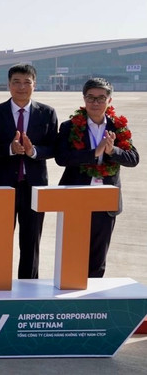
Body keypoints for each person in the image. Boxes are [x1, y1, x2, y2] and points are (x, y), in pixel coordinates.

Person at [56, 78, 139, 277]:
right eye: (91, 98)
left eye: (101, 98)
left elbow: (133, 159)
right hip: (76, 196)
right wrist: (94, 152)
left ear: (109, 100)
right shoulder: (70, 126)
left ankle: (93, 300)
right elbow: (62, 158)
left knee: (98, 255)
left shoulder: (118, 127)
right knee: (73, 253)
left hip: (106, 199)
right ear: (84, 99)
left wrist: (112, 150)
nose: (95, 103)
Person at [0, 64, 59, 279]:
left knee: (31, 241)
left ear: (34, 85)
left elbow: (54, 147)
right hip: (2, 185)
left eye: (27, 82)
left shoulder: (47, 113)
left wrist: (33, 150)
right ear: (8, 85)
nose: (21, 87)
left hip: (34, 186)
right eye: (16, 82)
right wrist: (9, 148)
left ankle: (28, 288)